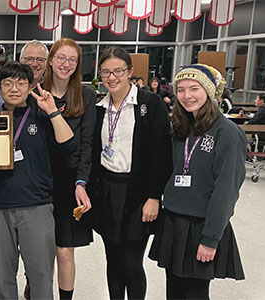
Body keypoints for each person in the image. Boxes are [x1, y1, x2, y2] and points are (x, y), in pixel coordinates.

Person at [0, 62, 76, 300]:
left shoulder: (41, 116)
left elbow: (68, 146)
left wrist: (53, 111)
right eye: (7, 83)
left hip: (36, 206)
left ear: (30, 85)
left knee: (41, 274)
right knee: (2, 275)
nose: (14, 88)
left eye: (21, 82)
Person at [149, 64, 246, 299]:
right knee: (174, 291)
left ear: (210, 91)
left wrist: (211, 239)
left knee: (194, 294)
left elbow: (226, 190)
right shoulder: (182, 129)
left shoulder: (227, 132)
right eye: (180, 90)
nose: (186, 96)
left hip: (201, 226)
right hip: (174, 222)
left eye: (194, 88)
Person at [90, 47, 172, 300]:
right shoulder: (99, 107)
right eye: (106, 72)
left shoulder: (150, 103)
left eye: (118, 71)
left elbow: (162, 153)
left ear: (130, 72)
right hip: (107, 191)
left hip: (138, 194)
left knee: (131, 262)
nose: (112, 77)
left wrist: (154, 196)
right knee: (112, 259)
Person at [39, 38, 97, 300]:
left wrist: (81, 182)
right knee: (40, 249)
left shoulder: (85, 95)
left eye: (72, 60)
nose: (66, 64)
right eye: (61, 58)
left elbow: (87, 143)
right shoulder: (35, 91)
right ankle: (38, 291)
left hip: (70, 181)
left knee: (64, 249)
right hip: (39, 179)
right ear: (51, 60)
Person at [0, 40, 48, 108]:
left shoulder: (50, 87)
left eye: (40, 59)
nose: (35, 64)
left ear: (46, 64)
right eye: (29, 59)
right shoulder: (8, 87)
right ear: (20, 61)